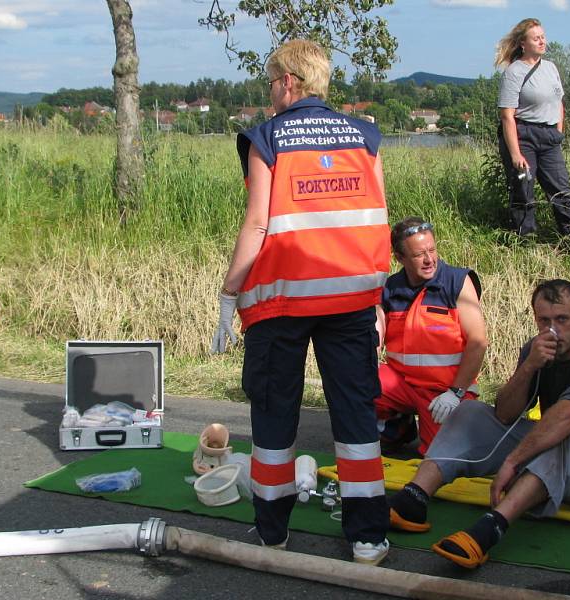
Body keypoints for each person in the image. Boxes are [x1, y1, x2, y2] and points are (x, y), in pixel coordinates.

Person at [210, 39, 391, 565]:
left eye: (270, 82)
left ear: (288, 81)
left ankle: (271, 532)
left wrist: (228, 293)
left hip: (281, 305)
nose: (269, 92)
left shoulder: (268, 138)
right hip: (351, 299)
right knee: (356, 417)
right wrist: (376, 298)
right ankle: (368, 537)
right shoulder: (364, 136)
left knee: (273, 416)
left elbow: (258, 223)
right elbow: (375, 218)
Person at [387, 279, 570, 569]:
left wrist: (513, 461)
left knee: (562, 431)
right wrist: (529, 366)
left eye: (562, 319)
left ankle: (490, 529)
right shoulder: (536, 350)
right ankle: (413, 499)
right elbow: (504, 414)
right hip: (559, 455)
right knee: (469, 411)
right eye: (544, 321)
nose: (553, 330)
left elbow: (567, 415)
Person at [375, 216, 488, 456]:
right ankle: (397, 427)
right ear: (400, 258)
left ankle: (456, 426)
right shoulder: (390, 288)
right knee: (357, 383)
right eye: (419, 255)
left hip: (445, 390)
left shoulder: (457, 281)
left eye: (432, 250)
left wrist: (455, 393)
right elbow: (374, 337)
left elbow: (478, 342)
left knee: (440, 458)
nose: (429, 260)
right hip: (402, 383)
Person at [496, 18, 570, 238]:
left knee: (561, 189)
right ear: (523, 44)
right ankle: (525, 239)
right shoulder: (514, 72)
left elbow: (559, 102)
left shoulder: (551, 68)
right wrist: (515, 153)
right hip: (524, 135)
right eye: (536, 38)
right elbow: (507, 116)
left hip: (549, 136)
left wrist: (558, 132)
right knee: (524, 189)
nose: (542, 41)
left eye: (543, 37)